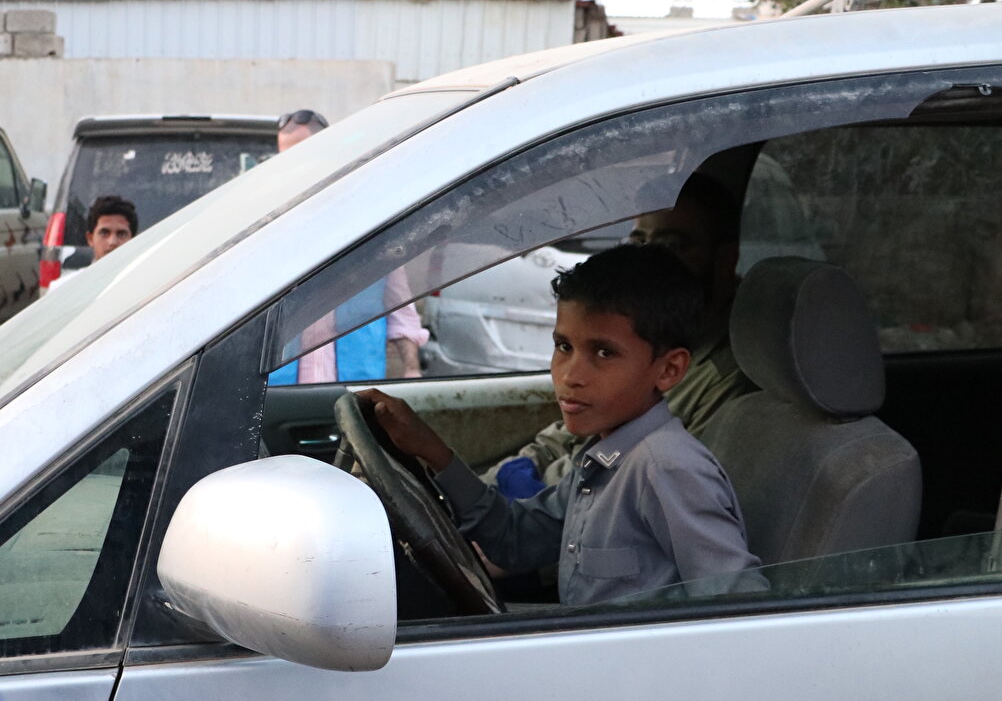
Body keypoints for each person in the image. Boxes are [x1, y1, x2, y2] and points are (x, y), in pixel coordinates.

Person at [359, 244, 761, 605]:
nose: (570, 375)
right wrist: (435, 454)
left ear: (669, 370)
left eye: (603, 352)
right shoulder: (605, 455)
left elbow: (737, 608)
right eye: (563, 346)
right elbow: (516, 541)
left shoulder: (667, 467)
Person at [483, 173, 757, 499]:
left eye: (673, 246)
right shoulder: (629, 334)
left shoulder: (730, 379)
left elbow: (636, 491)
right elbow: (564, 438)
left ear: (726, 259)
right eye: (640, 242)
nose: (649, 260)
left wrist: (532, 501)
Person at [268, 109, 428, 383]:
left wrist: (412, 370)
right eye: (287, 158)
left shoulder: (368, 226)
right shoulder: (269, 231)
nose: (293, 167)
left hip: (352, 392)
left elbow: (400, 309)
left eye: (301, 155)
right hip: (283, 399)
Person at [86, 195, 137, 261]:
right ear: (90, 239)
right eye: (104, 233)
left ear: (133, 240)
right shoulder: (83, 272)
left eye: (121, 234)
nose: (113, 242)